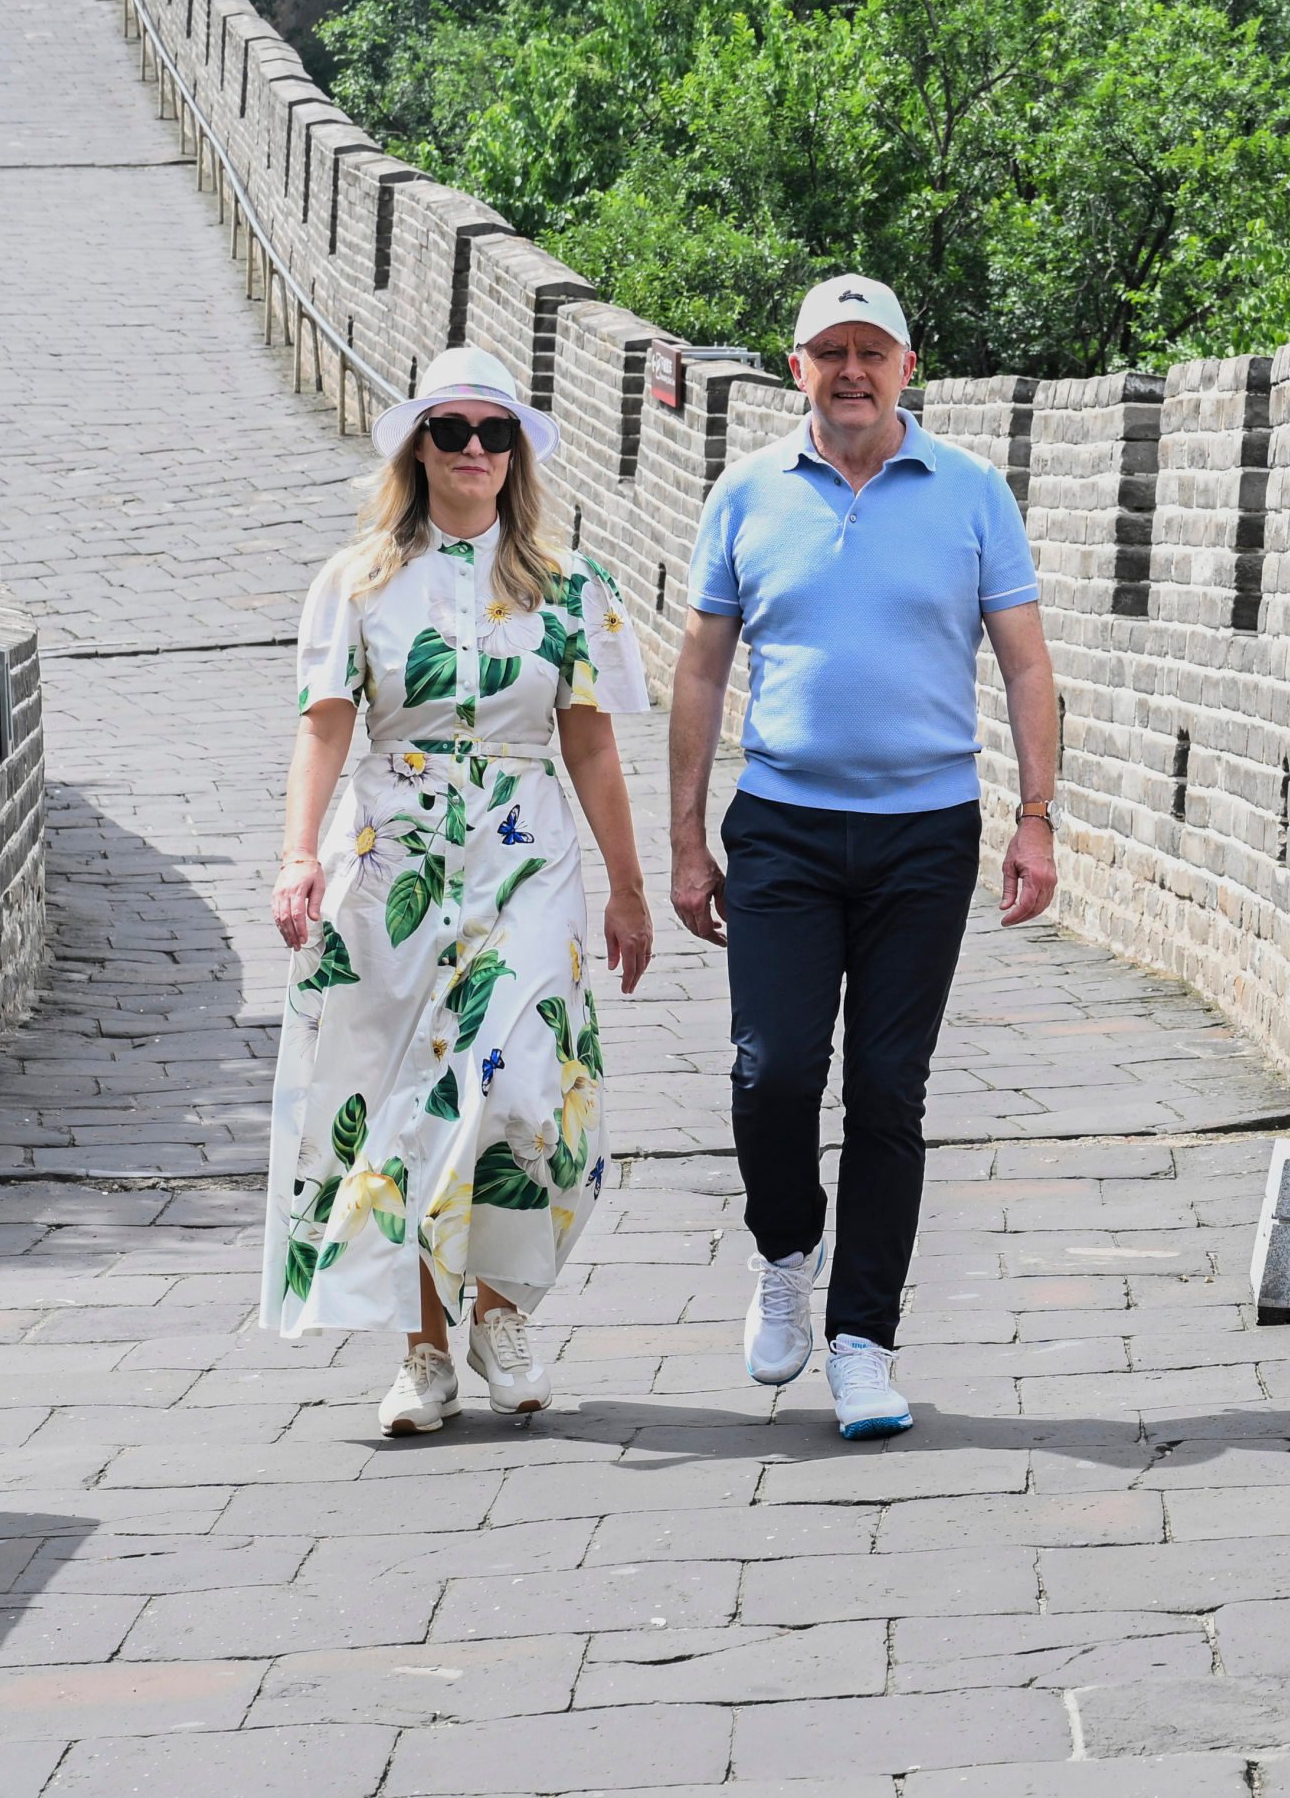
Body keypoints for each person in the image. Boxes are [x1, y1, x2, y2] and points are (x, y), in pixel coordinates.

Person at [671, 275, 1063, 1439]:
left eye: (871, 351)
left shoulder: (971, 493)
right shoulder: (745, 495)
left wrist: (1037, 816)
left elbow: (1027, 665)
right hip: (783, 823)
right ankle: (786, 1251)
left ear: (906, 365)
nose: (851, 370)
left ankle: (862, 1342)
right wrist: (686, 841)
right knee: (774, 1070)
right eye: (828, 351)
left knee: (889, 1091)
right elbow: (699, 670)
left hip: (925, 833)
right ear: (796, 367)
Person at [264, 346, 654, 1436]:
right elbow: (325, 727)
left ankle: (501, 1311)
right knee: (408, 1112)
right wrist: (299, 854)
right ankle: (425, 1355)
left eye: (496, 433)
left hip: (528, 859)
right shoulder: (357, 585)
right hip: (396, 862)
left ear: (517, 454)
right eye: (453, 431)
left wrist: (629, 889)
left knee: (525, 1092)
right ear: (417, 449)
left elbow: (593, 751)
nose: (475, 450)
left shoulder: (571, 588)